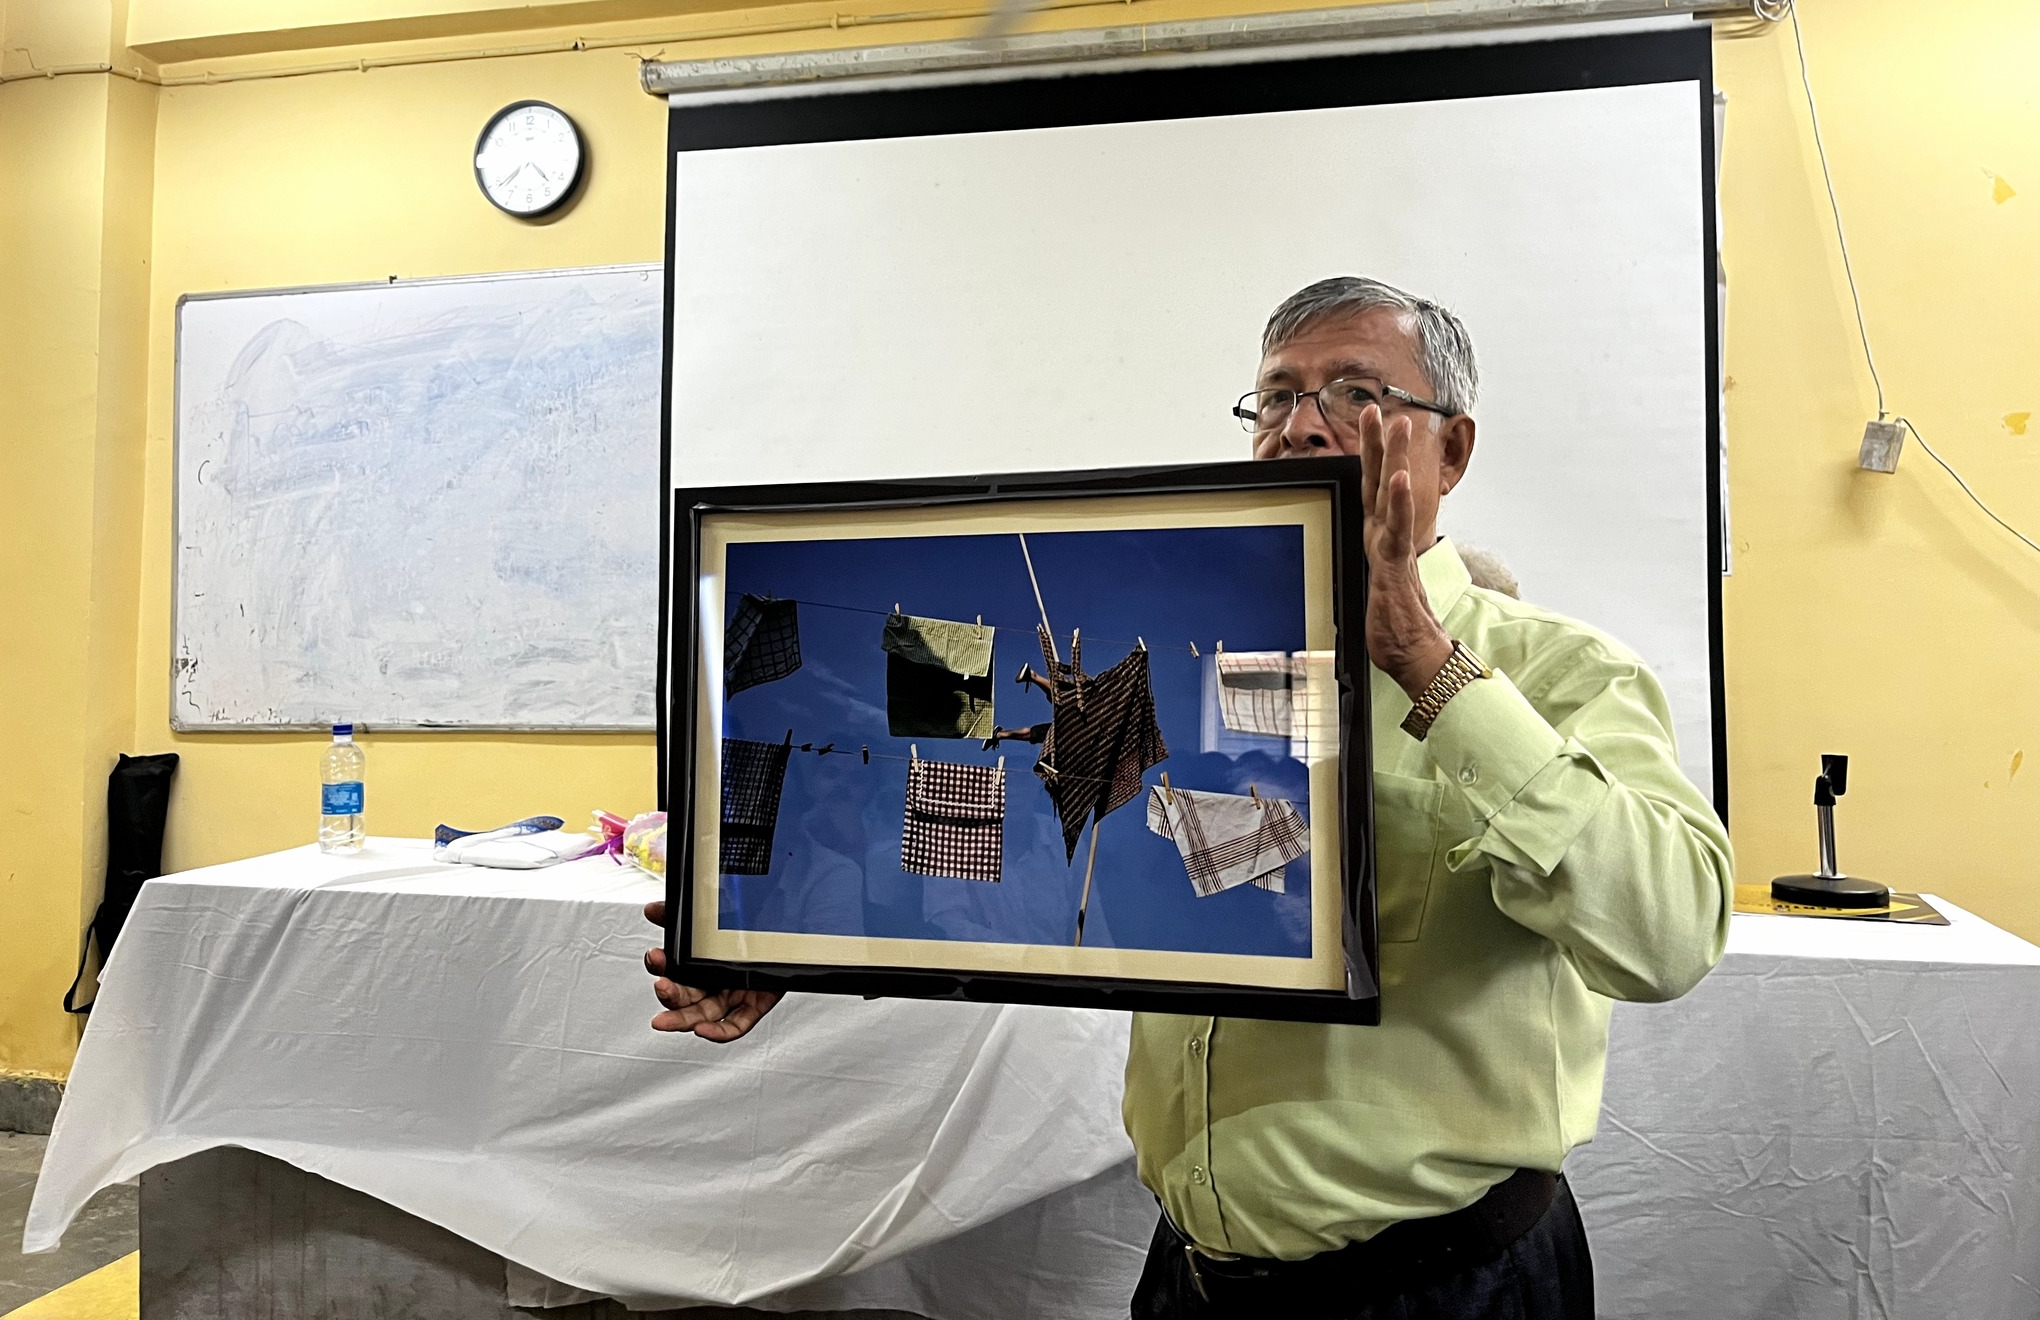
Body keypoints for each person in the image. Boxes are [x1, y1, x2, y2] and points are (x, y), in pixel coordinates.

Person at [644, 274, 1734, 1319]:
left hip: (1444, 1285)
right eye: (1275, 398)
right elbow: (1050, 859)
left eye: (1354, 393)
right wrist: (783, 935)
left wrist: (1427, 666)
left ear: (1449, 449)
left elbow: (1669, 936)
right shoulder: (1181, 665)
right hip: (1190, 1278)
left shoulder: (1561, 671)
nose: (1299, 427)